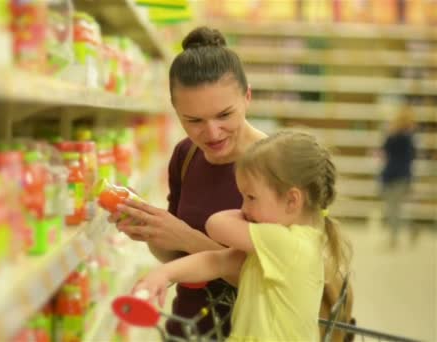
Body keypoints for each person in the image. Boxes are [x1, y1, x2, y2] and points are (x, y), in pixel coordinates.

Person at [109, 26, 266, 337]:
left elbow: (274, 278)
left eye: (224, 115)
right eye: (193, 120)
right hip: (188, 327)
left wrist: (184, 236)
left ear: (247, 97)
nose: (211, 133)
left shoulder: (275, 164)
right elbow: (178, 257)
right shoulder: (186, 155)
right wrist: (152, 229)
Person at [130, 131, 353, 341]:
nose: (243, 207)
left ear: (292, 200)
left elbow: (216, 224)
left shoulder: (289, 243)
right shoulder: (277, 244)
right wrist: (164, 274)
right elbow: (217, 261)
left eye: (250, 197)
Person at [379, 106, 416, 247]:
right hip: (398, 175)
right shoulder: (408, 137)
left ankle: (393, 239)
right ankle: (411, 229)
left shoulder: (399, 136)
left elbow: (384, 151)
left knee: (393, 209)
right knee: (394, 208)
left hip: (394, 175)